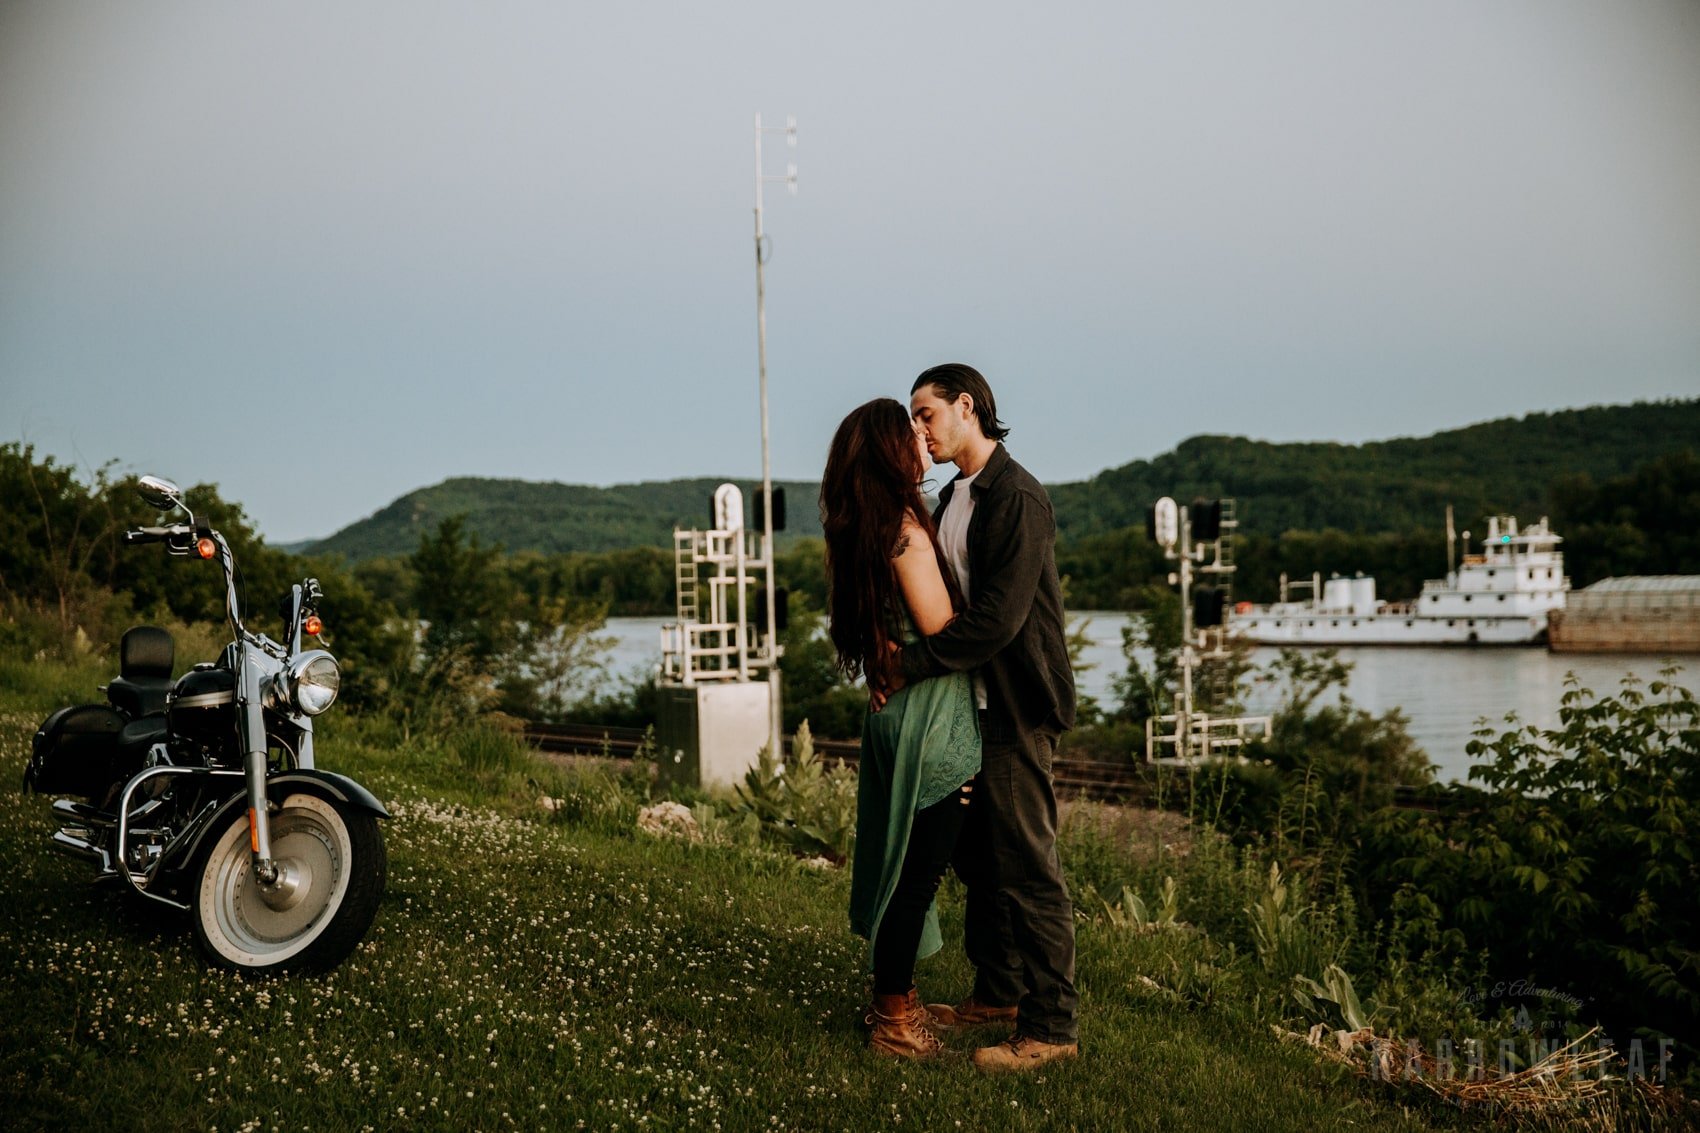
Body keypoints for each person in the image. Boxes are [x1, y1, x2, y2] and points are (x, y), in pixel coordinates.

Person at [886, 362, 1080, 1072]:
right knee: (978, 859)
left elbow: (999, 619)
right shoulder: (954, 496)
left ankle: (1051, 1025)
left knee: (1029, 866)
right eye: (911, 419)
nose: (919, 430)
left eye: (925, 414)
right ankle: (998, 992)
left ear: (967, 406)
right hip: (973, 704)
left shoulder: (1018, 496)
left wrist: (912, 663)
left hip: (1017, 704)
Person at [821, 397, 982, 1061]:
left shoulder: (862, 527)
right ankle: (892, 1015)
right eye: (910, 430)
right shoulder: (908, 532)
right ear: (893, 451)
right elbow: (944, 632)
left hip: (893, 715)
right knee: (916, 878)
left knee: (905, 864)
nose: (922, 436)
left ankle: (899, 994)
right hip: (928, 720)